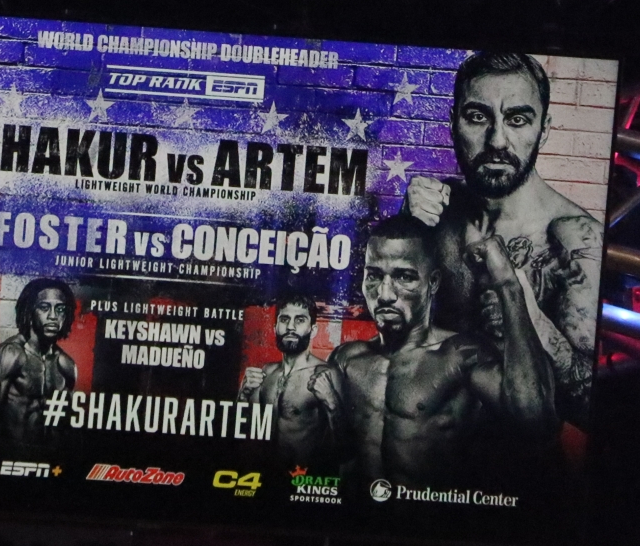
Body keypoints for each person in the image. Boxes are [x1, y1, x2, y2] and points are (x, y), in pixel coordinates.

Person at [404, 52, 603, 424]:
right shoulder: (439, 212)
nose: (497, 140)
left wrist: (528, 316)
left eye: (517, 119)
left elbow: (586, 406)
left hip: (516, 456)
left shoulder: (574, 240)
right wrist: (408, 229)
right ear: (453, 123)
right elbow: (398, 336)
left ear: (544, 128)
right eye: (478, 117)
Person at [329, 215, 555, 486]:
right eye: (374, 276)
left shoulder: (460, 355)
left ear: (433, 283)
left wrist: (508, 284)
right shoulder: (346, 359)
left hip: (431, 511)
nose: (385, 294)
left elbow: (535, 420)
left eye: (404, 276)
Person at [0, 278, 80, 456]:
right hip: (11, 455)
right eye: (44, 308)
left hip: (49, 458)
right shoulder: (12, 354)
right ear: (29, 312)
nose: (53, 316)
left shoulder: (66, 366)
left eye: (60, 309)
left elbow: (66, 426)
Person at [239, 290, 341, 467]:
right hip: (265, 473)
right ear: (275, 328)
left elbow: (346, 447)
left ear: (313, 330)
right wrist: (242, 395)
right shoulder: (266, 372)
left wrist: (332, 403)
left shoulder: (326, 374)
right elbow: (245, 430)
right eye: (284, 319)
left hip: (302, 476)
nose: (290, 327)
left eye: (299, 320)